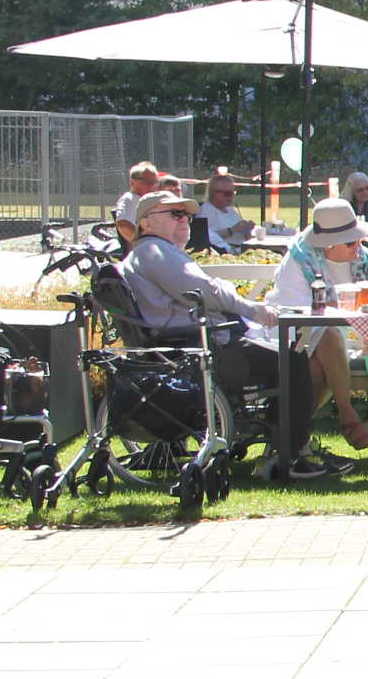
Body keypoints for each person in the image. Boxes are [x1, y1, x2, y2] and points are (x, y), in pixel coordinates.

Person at [119, 189, 348, 481]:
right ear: (146, 223)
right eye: (175, 214)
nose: (184, 220)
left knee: (287, 357)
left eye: (186, 215)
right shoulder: (156, 252)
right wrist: (253, 310)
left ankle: (283, 447)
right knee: (293, 363)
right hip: (201, 347)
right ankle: (290, 456)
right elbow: (207, 292)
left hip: (188, 342)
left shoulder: (151, 253)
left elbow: (204, 290)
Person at [259, 196, 368, 451]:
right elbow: (300, 315)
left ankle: (288, 443)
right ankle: (346, 416)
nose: (358, 246)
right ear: (328, 244)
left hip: (343, 343)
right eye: (351, 241)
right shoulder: (299, 262)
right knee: (326, 338)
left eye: (359, 239)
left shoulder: (363, 259)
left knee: (317, 367)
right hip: (294, 339)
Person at [192, 169, 257, 254]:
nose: (230, 197)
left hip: (242, 250)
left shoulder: (231, 210)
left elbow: (244, 237)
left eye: (232, 193)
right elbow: (206, 238)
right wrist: (232, 230)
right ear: (213, 193)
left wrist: (247, 230)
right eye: (227, 193)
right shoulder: (206, 210)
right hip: (224, 252)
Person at [114, 161, 162, 246]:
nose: (153, 186)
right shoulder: (130, 199)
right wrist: (143, 245)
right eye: (148, 182)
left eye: (155, 182)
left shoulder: (147, 200)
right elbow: (123, 225)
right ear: (132, 182)